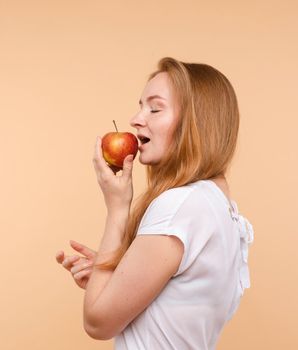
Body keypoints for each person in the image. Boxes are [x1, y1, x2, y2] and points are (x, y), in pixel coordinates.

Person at [55, 57, 254, 349]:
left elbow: (97, 322)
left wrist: (118, 207)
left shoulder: (179, 205)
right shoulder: (218, 207)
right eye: (140, 106)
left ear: (195, 123)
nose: (136, 119)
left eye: (155, 108)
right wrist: (114, 274)